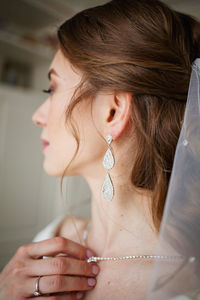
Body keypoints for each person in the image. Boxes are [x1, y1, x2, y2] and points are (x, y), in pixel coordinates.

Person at [0, 0, 200, 299]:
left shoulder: (184, 288)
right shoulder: (53, 238)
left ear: (113, 111)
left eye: (51, 90)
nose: (37, 115)